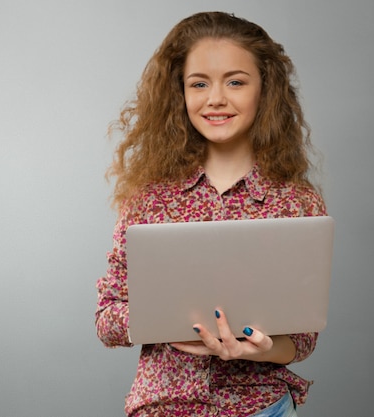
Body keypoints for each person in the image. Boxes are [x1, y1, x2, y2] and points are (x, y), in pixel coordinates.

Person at [95, 11, 328, 417]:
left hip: (262, 409)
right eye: (199, 83)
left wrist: (263, 349)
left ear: (264, 89)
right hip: (164, 408)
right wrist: (163, 320)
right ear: (179, 93)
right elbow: (107, 318)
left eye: (235, 81)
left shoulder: (296, 202)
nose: (215, 98)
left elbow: (303, 339)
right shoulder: (150, 200)